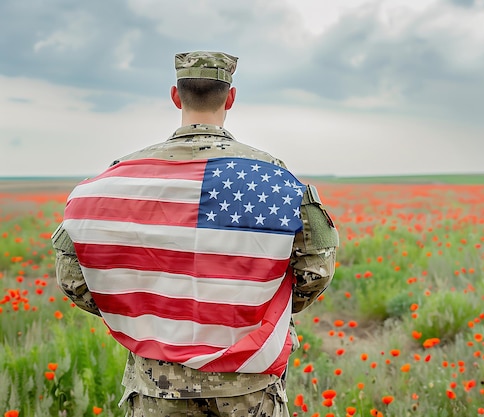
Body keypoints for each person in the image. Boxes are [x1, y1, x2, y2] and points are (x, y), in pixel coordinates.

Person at [52, 51, 339, 417]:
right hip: (249, 386)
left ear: (176, 96)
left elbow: (74, 279)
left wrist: (139, 313)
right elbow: (316, 271)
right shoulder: (274, 177)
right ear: (230, 99)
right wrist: (261, 309)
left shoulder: (119, 178)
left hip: (157, 387)